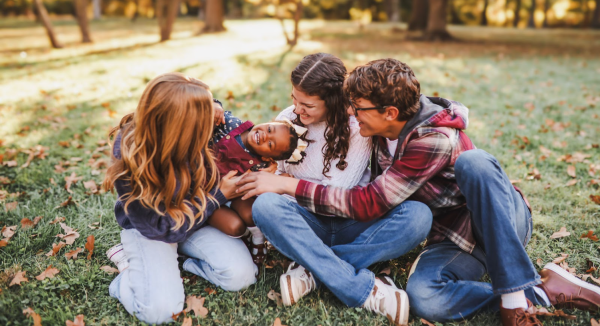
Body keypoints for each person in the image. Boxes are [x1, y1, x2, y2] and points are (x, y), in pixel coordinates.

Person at [237, 58, 600, 326]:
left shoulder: (433, 139)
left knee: (475, 163)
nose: (353, 114)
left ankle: (514, 297)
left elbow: (370, 202)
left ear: (390, 111)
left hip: (498, 222)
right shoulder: (377, 129)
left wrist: (286, 184)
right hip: (450, 237)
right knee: (425, 299)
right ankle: (543, 289)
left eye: (359, 109)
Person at [241, 53, 434, 326]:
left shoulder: (359, 126)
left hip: (353, 222)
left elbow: (340, 192)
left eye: (307, 104)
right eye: (294, 99)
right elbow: (278, 174)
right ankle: (364, 289)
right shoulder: (288, 118)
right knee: (266, 207)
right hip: (305, 223)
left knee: (418, 216)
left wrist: (285, 184)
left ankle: (313, 270)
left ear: (332, 101)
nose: (297, 109)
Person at [102, 72, 256, 325]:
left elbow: (232, 129)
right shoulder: (131, 159)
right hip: (155, 231)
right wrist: (218, 197)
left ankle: (172, 265)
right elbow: (163, 230)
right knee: (159, 313)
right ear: (180, 125)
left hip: (197, 221)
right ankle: (129, 273)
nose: (212, 120)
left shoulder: (192, 127)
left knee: (241, 277)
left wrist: (213, 105)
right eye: (204, 116)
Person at [208, 111, 308, 266]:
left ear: (269, 157)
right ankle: (242, 236)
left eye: (270, 145)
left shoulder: (262, 165)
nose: (264, 136)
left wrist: (277, 177)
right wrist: (215, 104)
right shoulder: (233, 125)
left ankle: (258, 240)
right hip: (207, 194)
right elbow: (212, 114)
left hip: (234, 195)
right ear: (269, 122)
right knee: (235, 227)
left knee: (250, 213)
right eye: (269, 129)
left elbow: (257, 187)